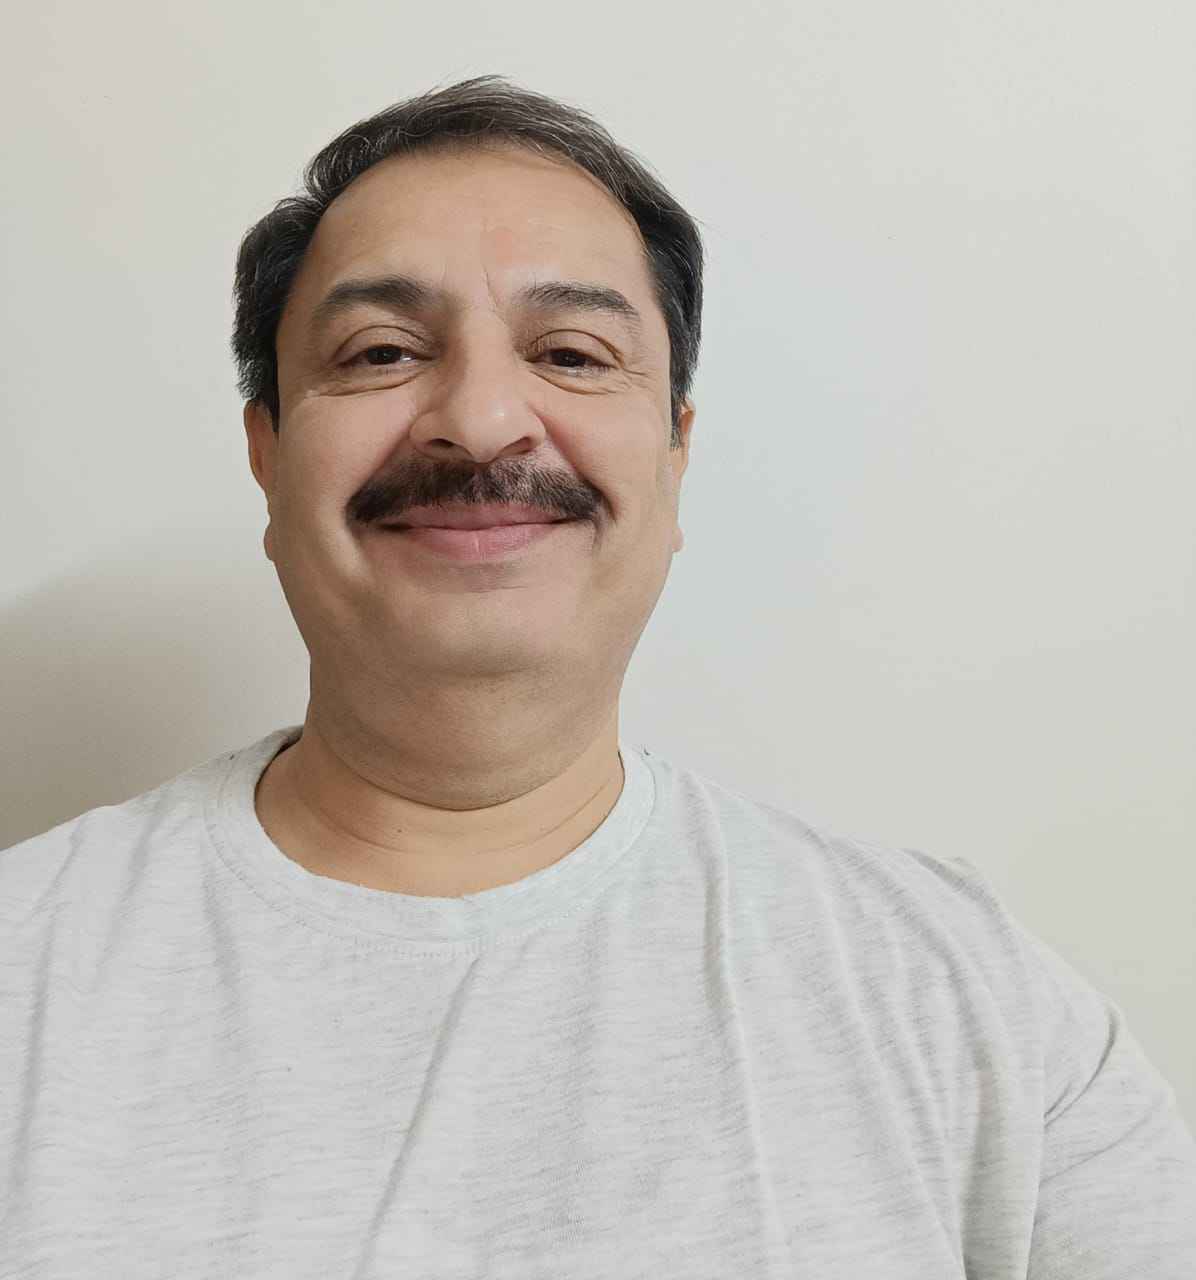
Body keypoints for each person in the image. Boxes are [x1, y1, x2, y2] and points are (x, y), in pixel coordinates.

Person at [2, 74, 1193, 1277]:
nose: (479, 420)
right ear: (268, 456)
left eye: (571, 353)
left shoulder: (958, 988)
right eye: (381, 351)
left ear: (673, 455)